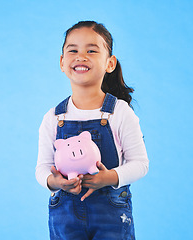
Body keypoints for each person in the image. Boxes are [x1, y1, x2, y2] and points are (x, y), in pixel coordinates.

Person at [35, 21, 149, 240]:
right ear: (62, 62)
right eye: (73, 50)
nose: (81, 56)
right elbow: (41, 168)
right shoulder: (54, 117)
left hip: (111, 216)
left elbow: (140, 164)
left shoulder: (120, 112)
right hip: (65, 216)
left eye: (91, 50)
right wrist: (55, 182)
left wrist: (109, 177)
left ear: (110, 63)